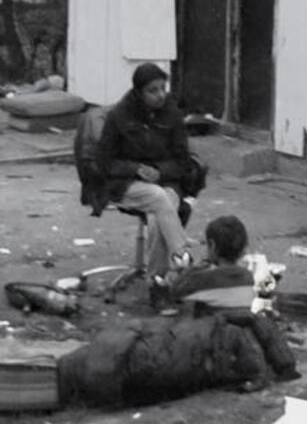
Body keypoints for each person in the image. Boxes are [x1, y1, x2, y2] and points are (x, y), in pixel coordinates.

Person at [95, 62, 200, 277]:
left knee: (159, 216)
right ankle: (181, 255)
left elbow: (183, 162)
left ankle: (156, 281)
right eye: (153, 91)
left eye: (163, 88)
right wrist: (135, 169)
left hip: (165, 181)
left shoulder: (173, 115)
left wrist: (160, 171)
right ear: (138, 93)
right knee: (159, 198)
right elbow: (104, 162)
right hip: (125, 183)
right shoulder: (118, 116)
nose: (161, 95)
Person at [169, 215, 253, 302]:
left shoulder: (202, 278)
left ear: (212, 245)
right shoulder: (248, 277)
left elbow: (175, 291)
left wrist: (191, 269)